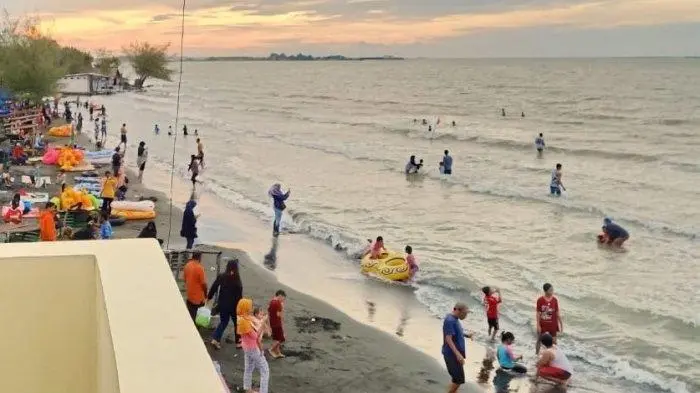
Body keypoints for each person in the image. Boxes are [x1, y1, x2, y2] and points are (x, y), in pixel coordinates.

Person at [208, 258, 243, 350]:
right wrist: (241, 307)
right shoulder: (237, 279)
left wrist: (209, 296)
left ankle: (215, 339)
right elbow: (239, 296)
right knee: (237, 323)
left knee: (224, 322)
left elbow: (214, 286)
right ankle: (238, 342)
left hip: (222, 304)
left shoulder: (222, 276)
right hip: (234, 306)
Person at [237, 298, 270, 393]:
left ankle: (247, 388)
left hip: (246, 347)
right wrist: (263, 322)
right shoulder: (245, 321)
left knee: (248, 367)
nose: (251, 308)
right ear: (246, 308)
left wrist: (262, 321)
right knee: (265, 370)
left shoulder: (242, 318)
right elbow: (255, 336)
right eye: (250, 307)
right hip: (252, 348)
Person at [442, 302, 473, 393]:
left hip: (453, 354)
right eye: (465, 313)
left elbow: (455, 333)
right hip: (451, 354)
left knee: (456, 378)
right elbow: (448, 338)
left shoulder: (454, 319)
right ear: (458, 310)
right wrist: (458, 354)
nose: (466, 315)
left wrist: (466, 335)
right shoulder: (450, 320)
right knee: (458, 379)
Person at [536, 283, 563, 354]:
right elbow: (538, 313)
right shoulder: (540, 300)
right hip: (543, 324)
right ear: (546, 291)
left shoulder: (554, 300)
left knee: (554, 342)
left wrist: (561, 324)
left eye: (552, 289)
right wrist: (538, 325)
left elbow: (557, 312)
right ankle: (536, 354)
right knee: (539, 340)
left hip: (553, 325)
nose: (552, 291)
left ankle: (554, 356)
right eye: (550, 290)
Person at [183, 252, 207, 322]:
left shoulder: (187, 266)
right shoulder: (200, 268)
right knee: (198, 319)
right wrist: (206, 295)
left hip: (189, 296)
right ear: (199, 258)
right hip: (198, 299)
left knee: (190, 316)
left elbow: (185, 280)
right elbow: (203, 284)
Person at [267, 289, 287, 358]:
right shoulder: (278, 303)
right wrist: (282, 308)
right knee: (281, 338)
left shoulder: (271, 301)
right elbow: (279, 315)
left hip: (272, 323)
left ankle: (278, 353)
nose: (283, 300)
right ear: (280, 296)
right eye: (283, 299)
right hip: (277, 323)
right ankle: (271, 349)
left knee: (276, 338)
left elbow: (269, 312)